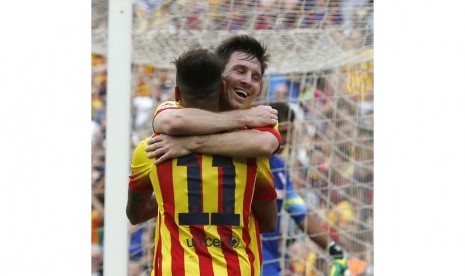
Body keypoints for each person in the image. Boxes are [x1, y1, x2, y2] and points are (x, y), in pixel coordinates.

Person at [127, 48, 279, 276]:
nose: (247, 81)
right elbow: (268, 222)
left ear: (177, 93)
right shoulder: (252, 149)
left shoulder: (151, 149)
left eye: (255, 76)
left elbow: (135, 214)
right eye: (240, 71)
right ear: (222, 85)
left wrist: (174, 199)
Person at [261, 102, 349, 276]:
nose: (287, 139)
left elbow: (301, 214)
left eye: (290, 132)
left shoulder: (280, 169)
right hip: (241, 261)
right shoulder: (244, 163)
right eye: (283, 132)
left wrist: (333, 249)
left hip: (269, 265)